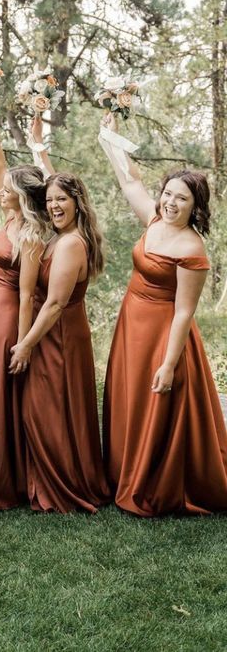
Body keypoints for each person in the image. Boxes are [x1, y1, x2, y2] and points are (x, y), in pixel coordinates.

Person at [100, 114, 227, 515]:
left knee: (155, 402)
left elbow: (184, 312)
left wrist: (170, 364)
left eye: (182, 199)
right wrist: (111, 136)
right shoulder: (153, 220)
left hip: (163, 333)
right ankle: (122, 471)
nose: (171, 203)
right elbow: (130, 181)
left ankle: (152, 482)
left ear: (195, 206)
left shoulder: (192, 249)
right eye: (168, 194)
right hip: (131, 325)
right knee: (129, 399)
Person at [10, 172, 110, 513]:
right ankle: (46, 481)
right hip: (52, 330)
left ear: (77, 203)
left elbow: (54, 304)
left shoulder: (70, 243)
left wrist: (26, 345)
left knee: (46, 410)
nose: (53, 205)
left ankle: (63, 487)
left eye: (61, 199)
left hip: (60, 335)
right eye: (50, 199)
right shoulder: (59, 236)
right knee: (48, 410)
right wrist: (38, 140)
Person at [0, 101, 49, 510]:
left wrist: (23, 343)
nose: (0, 190)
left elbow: (27, 295)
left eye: (7, 189)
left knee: (1, 388)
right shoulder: (9, 218)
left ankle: (0, 480)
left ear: (22, 196)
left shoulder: (32, 235)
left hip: (8, 315)